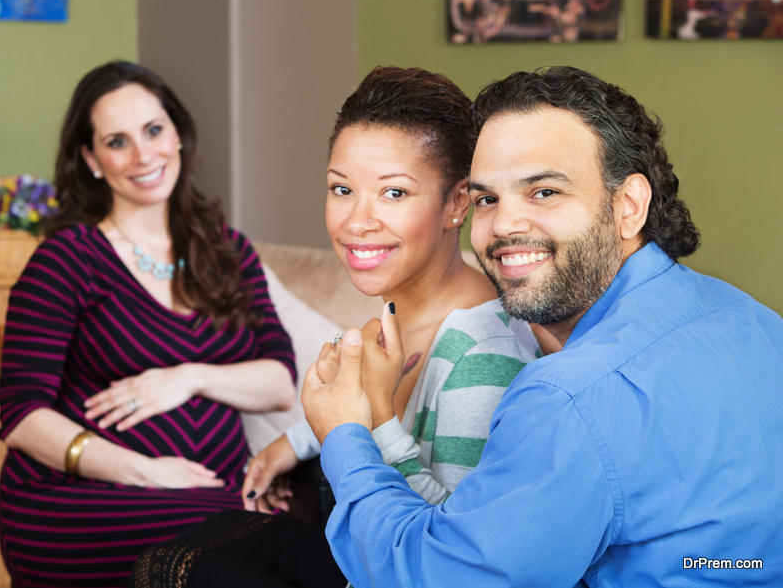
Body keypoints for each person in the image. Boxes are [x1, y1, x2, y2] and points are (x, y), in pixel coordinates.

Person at [302, 66, 783, 587]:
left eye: (545, 192)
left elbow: (437, 577)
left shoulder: (567, 396)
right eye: (489, 198)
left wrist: (346, 436)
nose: (505, 224)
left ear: (629, 206)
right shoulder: (750, 317)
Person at [130, 66, 553, 587]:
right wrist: (297, 441)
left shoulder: (482, 354)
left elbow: (459, 555)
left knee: (178, 574)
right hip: (370, 563)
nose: (357, 221)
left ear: (457, 203)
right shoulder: (400, 311)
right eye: (341, 189)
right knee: (189, 550)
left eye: (394, 193)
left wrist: (369, 420)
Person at [0, 61, 296, 588]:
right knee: (274, 543)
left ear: (177, 134)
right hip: (81, 499)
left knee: (300, 550)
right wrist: (145, 471)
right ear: (91, 159)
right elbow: (23, 418)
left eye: (154, 130)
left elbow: (278, 382)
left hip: (208, 495)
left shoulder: (227, 252)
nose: (143, 155)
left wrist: (191, 375)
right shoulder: (66, 258)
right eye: (118, 141)